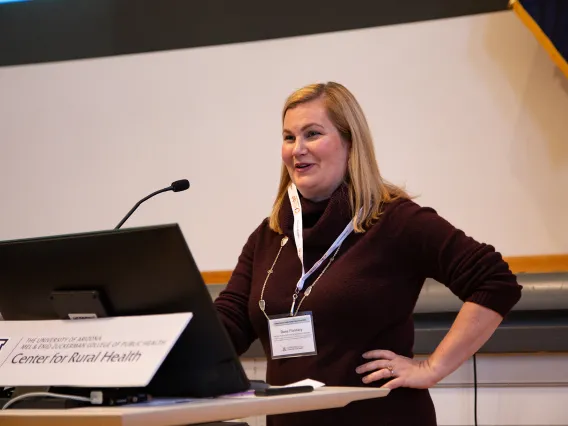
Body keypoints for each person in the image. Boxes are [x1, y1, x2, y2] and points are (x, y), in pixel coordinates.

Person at [214, 81, 522, 426]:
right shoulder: (270, 235)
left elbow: (495, 281)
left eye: (312, 134)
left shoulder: (395, 221)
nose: (297, 149)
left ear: (350, 142)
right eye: (289, 137)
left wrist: (432, 368)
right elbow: (231, 323)